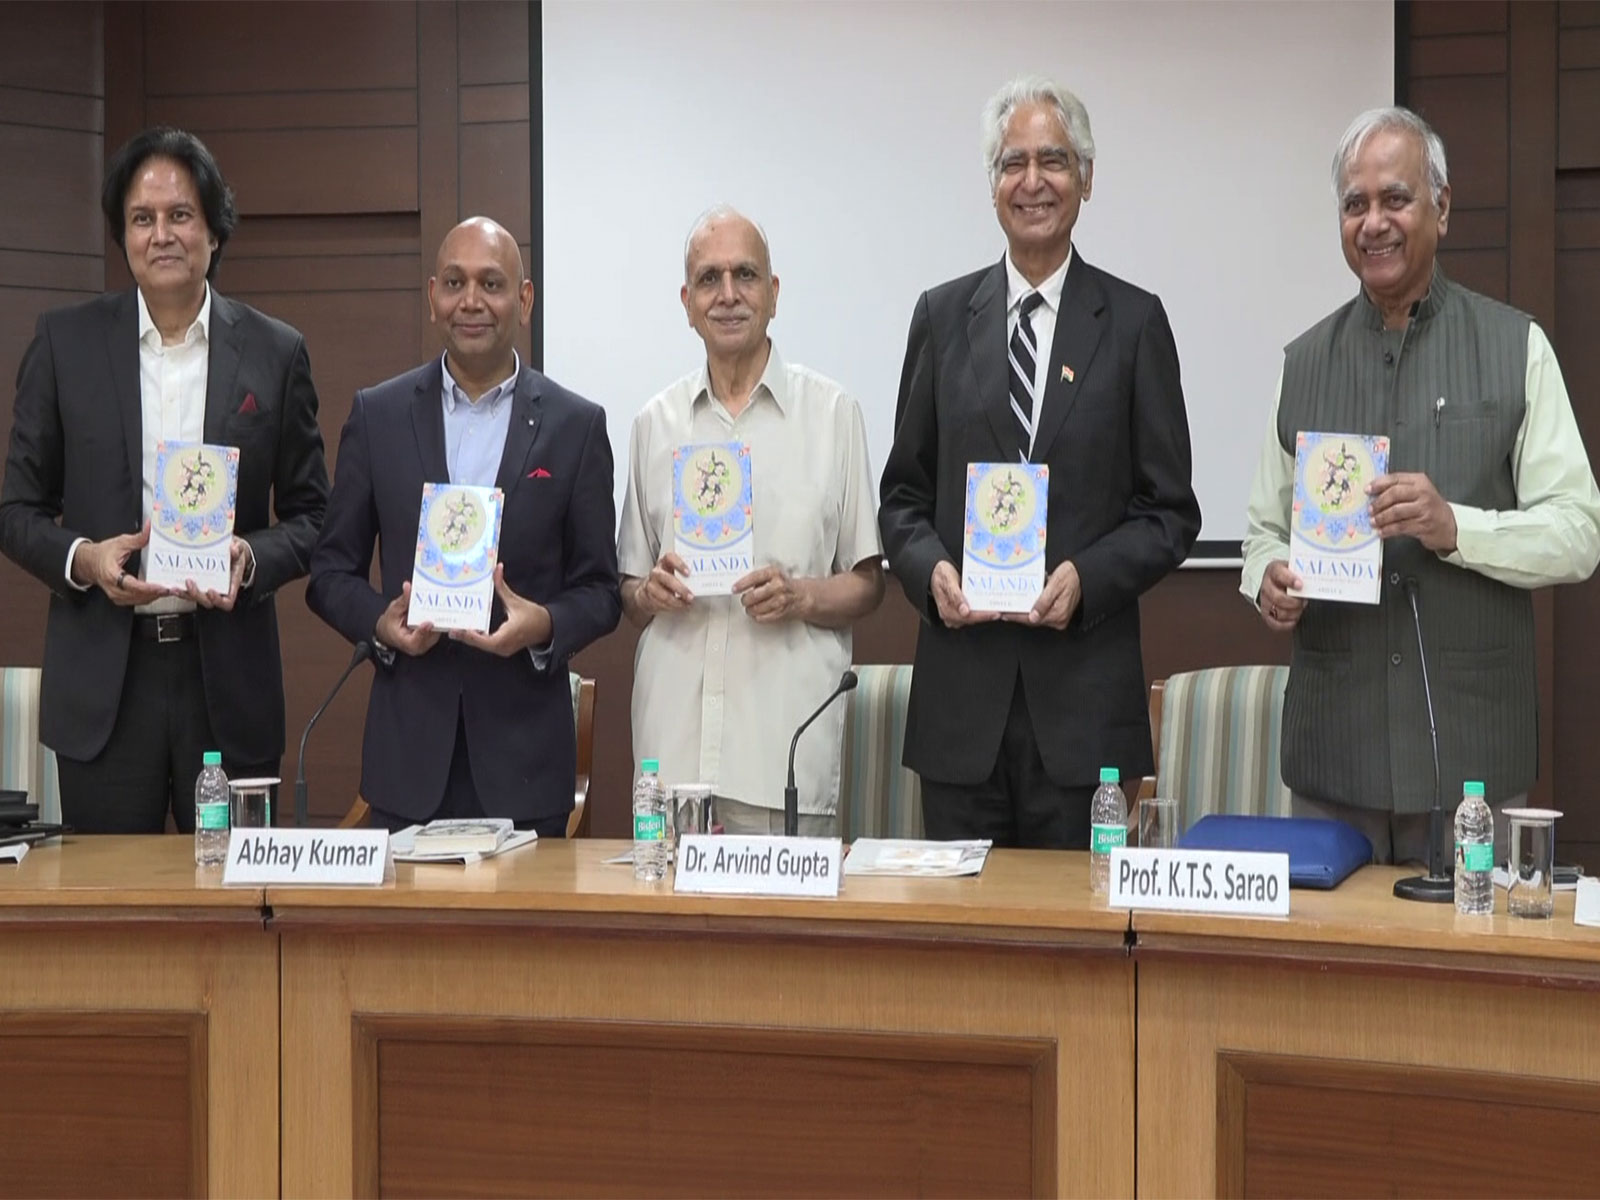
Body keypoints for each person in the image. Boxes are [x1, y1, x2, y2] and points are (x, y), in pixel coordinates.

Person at [1241, 106, 1600, 865]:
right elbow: (1263, 532)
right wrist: (1266, 579)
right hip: (1335, 757)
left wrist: (1457, 528)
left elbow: (1578, 533)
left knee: (1470, 947)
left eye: (1395, 199)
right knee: (1330, 947)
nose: (1374, 222)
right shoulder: (1301, 364)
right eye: (1355, 204)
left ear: (1441, 207)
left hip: (1470, 756)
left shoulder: (1517, 348)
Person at [878, 78, 1200, 849]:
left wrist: (1088, 578)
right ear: (991, 185)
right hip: (961, 715)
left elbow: (1169, 512)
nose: (1032, 181)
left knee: (1080, 924)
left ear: (1086, 177)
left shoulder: (1134, 322)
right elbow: (902, 498)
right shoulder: (941, 317)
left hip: (1085, 717)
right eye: (1012, 163)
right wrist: (930, 573)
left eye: (1052, 160)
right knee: (963, 927)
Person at [0, 126, 329, 833]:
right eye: (142, 219)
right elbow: (16, 510)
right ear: (122, 236)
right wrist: (86, 559)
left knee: (237, 893)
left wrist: (250, 557)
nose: (162, 235)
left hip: (229, 681)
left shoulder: (275, 352)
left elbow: (313, 515)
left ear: (214, 228)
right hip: (105, 685)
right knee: (115, 897)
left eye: (180, 214)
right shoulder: (65, 343)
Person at [307, 217, 619, 835]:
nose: (471, 301)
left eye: (491, 284)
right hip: (407, 759)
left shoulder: (575, 426)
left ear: (523, 301)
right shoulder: (378, 415)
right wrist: (382, 623)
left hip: (526, 763)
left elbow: (602, 591)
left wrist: (543, 624)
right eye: (454, 283)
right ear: (433, 298)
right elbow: (329, 572)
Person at [619, 207, 884, 835]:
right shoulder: (654, 423)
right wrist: (647, 593)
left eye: (745, 275)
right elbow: (628, 589)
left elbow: (868, 583)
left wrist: (801, 595)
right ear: (687, 303)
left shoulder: (833, 414)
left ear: (774, 293)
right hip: (672, 762)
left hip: (780, 761)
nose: (728, 294)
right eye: (709, 279)